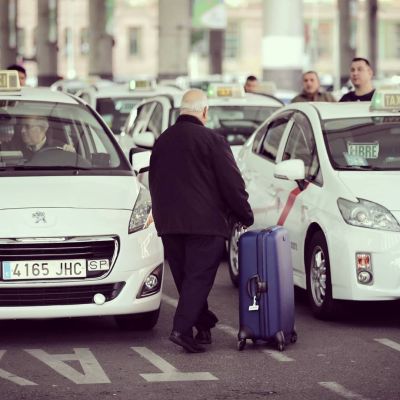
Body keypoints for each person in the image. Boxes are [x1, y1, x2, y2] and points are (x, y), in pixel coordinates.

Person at [149, 89, 254, 353]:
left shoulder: (162, 141)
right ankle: (181, 330)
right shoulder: (212, 140)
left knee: (187, 280)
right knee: (198, 279)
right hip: (205, 224)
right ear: (205, 112)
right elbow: (232, 184)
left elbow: (154, 182)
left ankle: (204, 325)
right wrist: (244, 213)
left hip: (170, 224)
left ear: (180, 110)